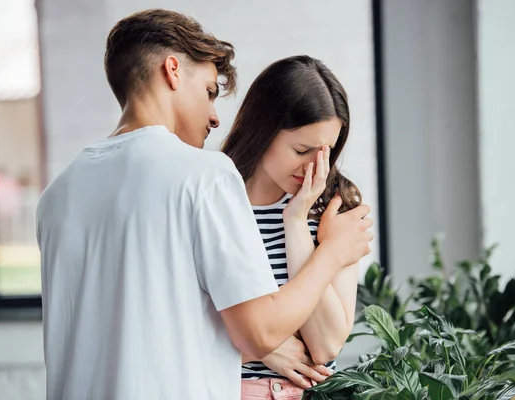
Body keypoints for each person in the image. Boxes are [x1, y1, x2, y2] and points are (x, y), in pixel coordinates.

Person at [36, 9, 373, 400]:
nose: (215, 117)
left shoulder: (56, 196)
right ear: (173, 71)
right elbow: (259, 331)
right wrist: (330, 253)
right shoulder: (205, 176)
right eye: (210, 91)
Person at [222, 55, 363, 399]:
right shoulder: (211, 198)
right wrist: (262, 347)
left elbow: (326, 345)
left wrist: (296, 221)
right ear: (263, 128)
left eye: (327, 150)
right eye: (302, 149)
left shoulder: (336, 205)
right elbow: (174, 327)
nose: (315, 165)